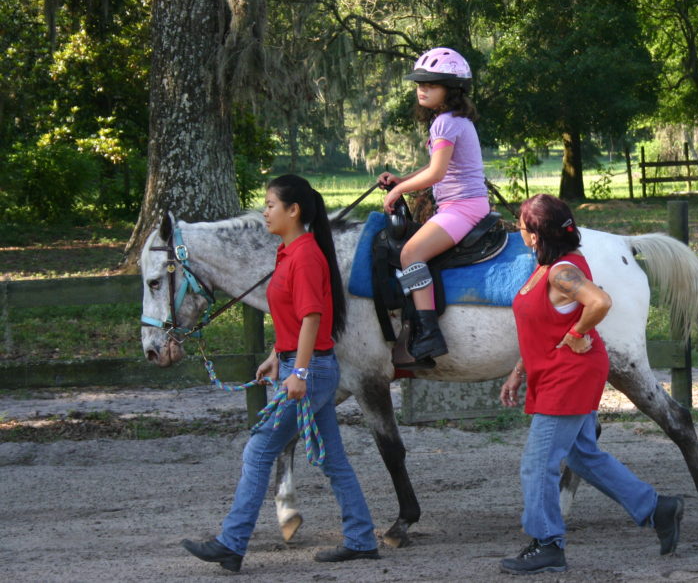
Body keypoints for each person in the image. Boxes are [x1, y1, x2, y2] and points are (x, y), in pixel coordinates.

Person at [181, 174, 379, 572]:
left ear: (294, 210)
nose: (265, 212)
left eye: (271, 205)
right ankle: (361, 539)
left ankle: (232, 543)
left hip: (310, 371)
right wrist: (277, 354)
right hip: (303, 366)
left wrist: (299, 371)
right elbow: (290, 313)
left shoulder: (305, 256)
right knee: (333, 460)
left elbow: (312, 318)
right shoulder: (289, 252)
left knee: (258, 451)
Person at [497, 193, 685, 575]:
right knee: (583, 455)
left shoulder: (562, 271)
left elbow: (599, 302)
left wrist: (579, 332)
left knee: (537, 464)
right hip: (555, 372)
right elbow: (543, 325)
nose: (517, 230)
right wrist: (519, 369)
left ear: (534, 234)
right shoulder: (548, 267)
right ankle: (658, 509)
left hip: (569, 375)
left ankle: (547, 544)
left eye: (520, 224)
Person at [377, 47, 488, 370]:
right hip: (462, 205)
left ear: (451, 90)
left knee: (411, 254)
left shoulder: (445, 123)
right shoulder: (451, 121)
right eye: (419, 84)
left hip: (462, 208)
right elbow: (435, 169)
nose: (422, 89)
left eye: (431, 84)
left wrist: (398, 189)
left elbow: (436, 174)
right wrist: (402, 178)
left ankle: (427, 334)